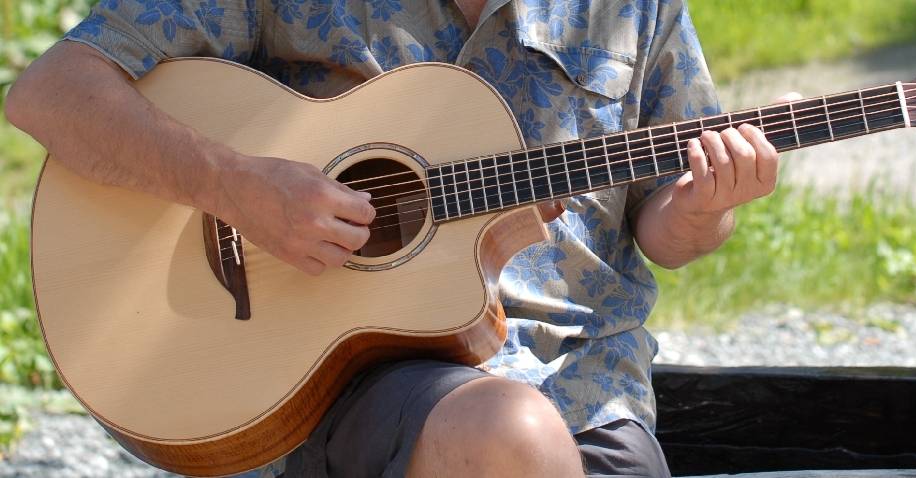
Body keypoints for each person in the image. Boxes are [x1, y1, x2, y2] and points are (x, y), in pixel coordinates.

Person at [6, 0, 794, 476]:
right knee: (505, 435)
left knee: (526, 433)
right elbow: (52, 94)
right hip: (343, 377)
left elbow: (668, 225)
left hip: (581, 382)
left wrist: (700, 210)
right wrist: (236, 187)